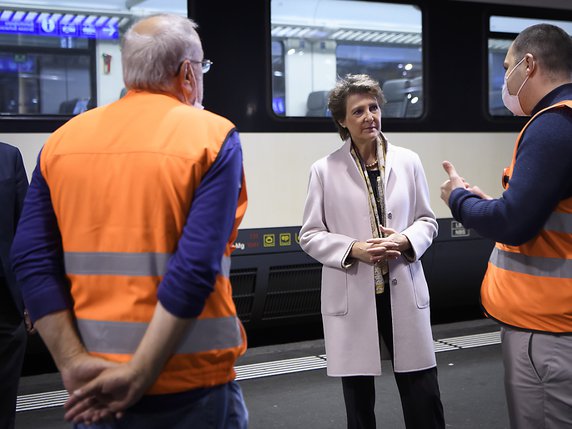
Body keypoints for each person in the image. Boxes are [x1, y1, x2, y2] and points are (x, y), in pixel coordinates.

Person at [11, 14, 248, 428]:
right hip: (192, 386)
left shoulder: (62, 141)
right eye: (203, 67)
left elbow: (30, 258)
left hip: (95, 385)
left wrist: (72, 365)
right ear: (188, 73)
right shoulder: (212, 137)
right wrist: (139, 374)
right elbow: (195, 269)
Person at [440, 24, 572, 429]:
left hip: (547, 329)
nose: (505, 80)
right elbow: (540, 210)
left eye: (508, 67)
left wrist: (458, 199)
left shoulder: (553, 126)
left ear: (529, 65)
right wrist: (495, 204)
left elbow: (514, 224)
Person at [300, 74, 445, 429]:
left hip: (402, 291)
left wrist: (406, 241)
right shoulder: (324, 170)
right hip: (355, 293)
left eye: (374, 107)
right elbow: (310, 234)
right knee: (359, 402)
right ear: (342, 121)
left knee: (422, 392)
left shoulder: (408, 161)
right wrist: (353, 249)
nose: (370, 117)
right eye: (359, 111)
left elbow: (427, 221)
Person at [0, 142, 28, 429]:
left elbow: (26, 230)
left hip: (4, 303)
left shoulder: (9, 157)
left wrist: (30, 299)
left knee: (5, 398)